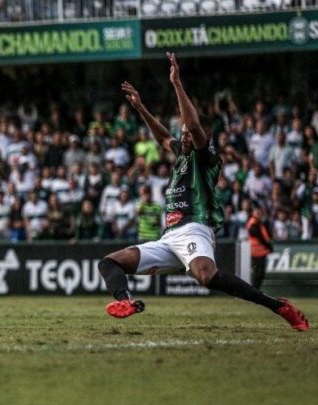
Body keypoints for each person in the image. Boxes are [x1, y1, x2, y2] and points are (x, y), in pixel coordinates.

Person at [98, 53, 308, 331]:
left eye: (187, 133)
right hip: (169, 237)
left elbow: (194, 125)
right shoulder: (182, 154)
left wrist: (176, 83)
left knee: (206, 276)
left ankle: (278, 306)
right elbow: (163, 137)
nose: (183, 136)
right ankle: (125, 302)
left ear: (201, 135)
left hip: (195, 227)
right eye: (183, 133)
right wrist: (140, 108)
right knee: (109, 263)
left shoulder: (205, 156)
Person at [246, 206, 273, 290]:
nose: (259, 214)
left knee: (259, 273)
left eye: (259, 213)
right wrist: (268, 246)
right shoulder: (254, 223)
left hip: (260, 251)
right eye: (257, 212)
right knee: (258, 273)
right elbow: (258, 235)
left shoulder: (258, 222)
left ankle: (255, 290)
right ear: (253, 213)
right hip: (256, 251)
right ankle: (255, 290)